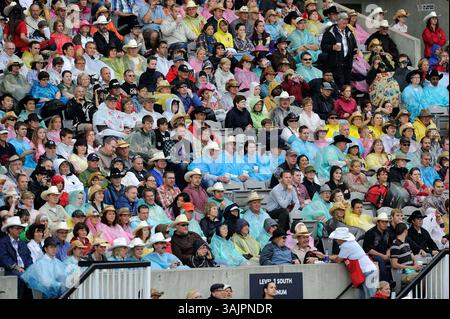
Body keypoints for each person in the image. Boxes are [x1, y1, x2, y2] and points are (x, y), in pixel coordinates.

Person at [329, 227, 378, 299]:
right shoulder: (350, 243)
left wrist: (326, 257)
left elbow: (338, 260)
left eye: (336, 238)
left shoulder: (346, 246)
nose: (335, 240)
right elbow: (340, 257)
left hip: (368, 272)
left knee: (370, 297)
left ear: (341, 239)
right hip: (368, 271)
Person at [321, 12, 357, 88]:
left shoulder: (349, 32)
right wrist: (332, 47)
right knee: (340, 85)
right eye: (343, 23)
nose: (345, 25)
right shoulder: (330, 32)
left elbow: (354, 45)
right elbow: (323, 47)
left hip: (347, 63)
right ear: (338, 22)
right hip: (336, 63)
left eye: (346, 23)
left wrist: (355, 52)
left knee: (347, 84)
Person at [0, 216, 32, 298]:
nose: (20, 231)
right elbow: (3, 257)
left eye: (20, 228)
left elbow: (29, 257)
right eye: (17, 228)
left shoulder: (22, 243)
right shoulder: (3, 242)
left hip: (23, 270)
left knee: (32, 276)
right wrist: (15, 266)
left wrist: (29, 268)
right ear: (10, 229)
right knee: (21, 277)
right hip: (9, 270)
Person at [363, 213, 391, 282]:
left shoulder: (387, 232)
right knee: (380, 259)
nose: (385, 224)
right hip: (372, 256)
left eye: (386, 222)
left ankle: (394, 279)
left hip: (384, 255)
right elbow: (368, 249)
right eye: (382, 222)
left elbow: (389, 246)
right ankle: (385, 282)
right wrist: (383, 256)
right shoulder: (370, 233)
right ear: (377, 223)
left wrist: (387, 255)